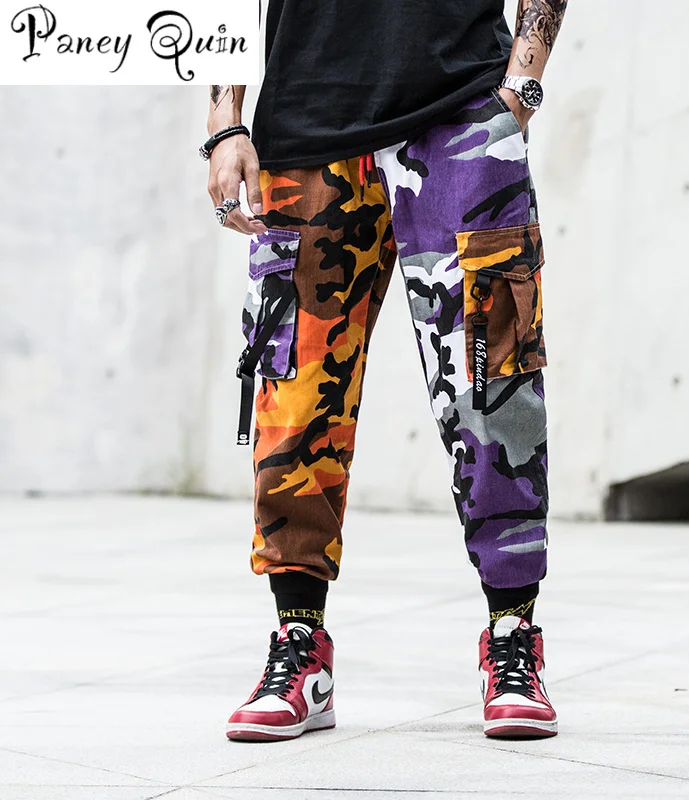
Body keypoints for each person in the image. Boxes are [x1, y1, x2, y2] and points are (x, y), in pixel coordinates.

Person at [203, 0, 569, 742]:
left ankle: (512, 636)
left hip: (461, 112)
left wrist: (521, 86)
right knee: (295, 401)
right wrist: (225, 119)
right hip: (306, 123)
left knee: (493, 389)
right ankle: (300, 645)